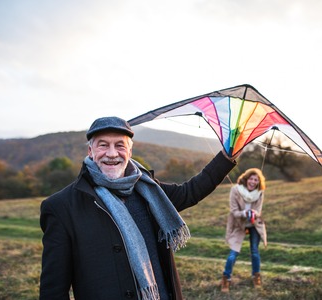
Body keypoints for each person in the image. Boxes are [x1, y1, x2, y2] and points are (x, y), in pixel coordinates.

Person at [39, 116, 239, 300]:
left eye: (119, 145)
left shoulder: (149, 190)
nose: (111, 153)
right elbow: (53, 290)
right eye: (103, 145)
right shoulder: (61, 207)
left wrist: (226, 156)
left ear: (130, 151)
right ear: (90, 151)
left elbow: (190, 192)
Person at [221, 168, 267, 293]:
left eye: (256, 180)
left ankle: (256, 276)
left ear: (258, 182)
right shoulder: (235, 190)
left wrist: (254, 213)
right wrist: (245, 213)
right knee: (233, 253)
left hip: (254, 225)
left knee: (255, 251)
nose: (253, 182)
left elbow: (258, 210)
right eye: (251, 179)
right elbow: (234, 212)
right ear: (246, 179)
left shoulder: (260, 192)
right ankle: (226, 278)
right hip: (239, 224)